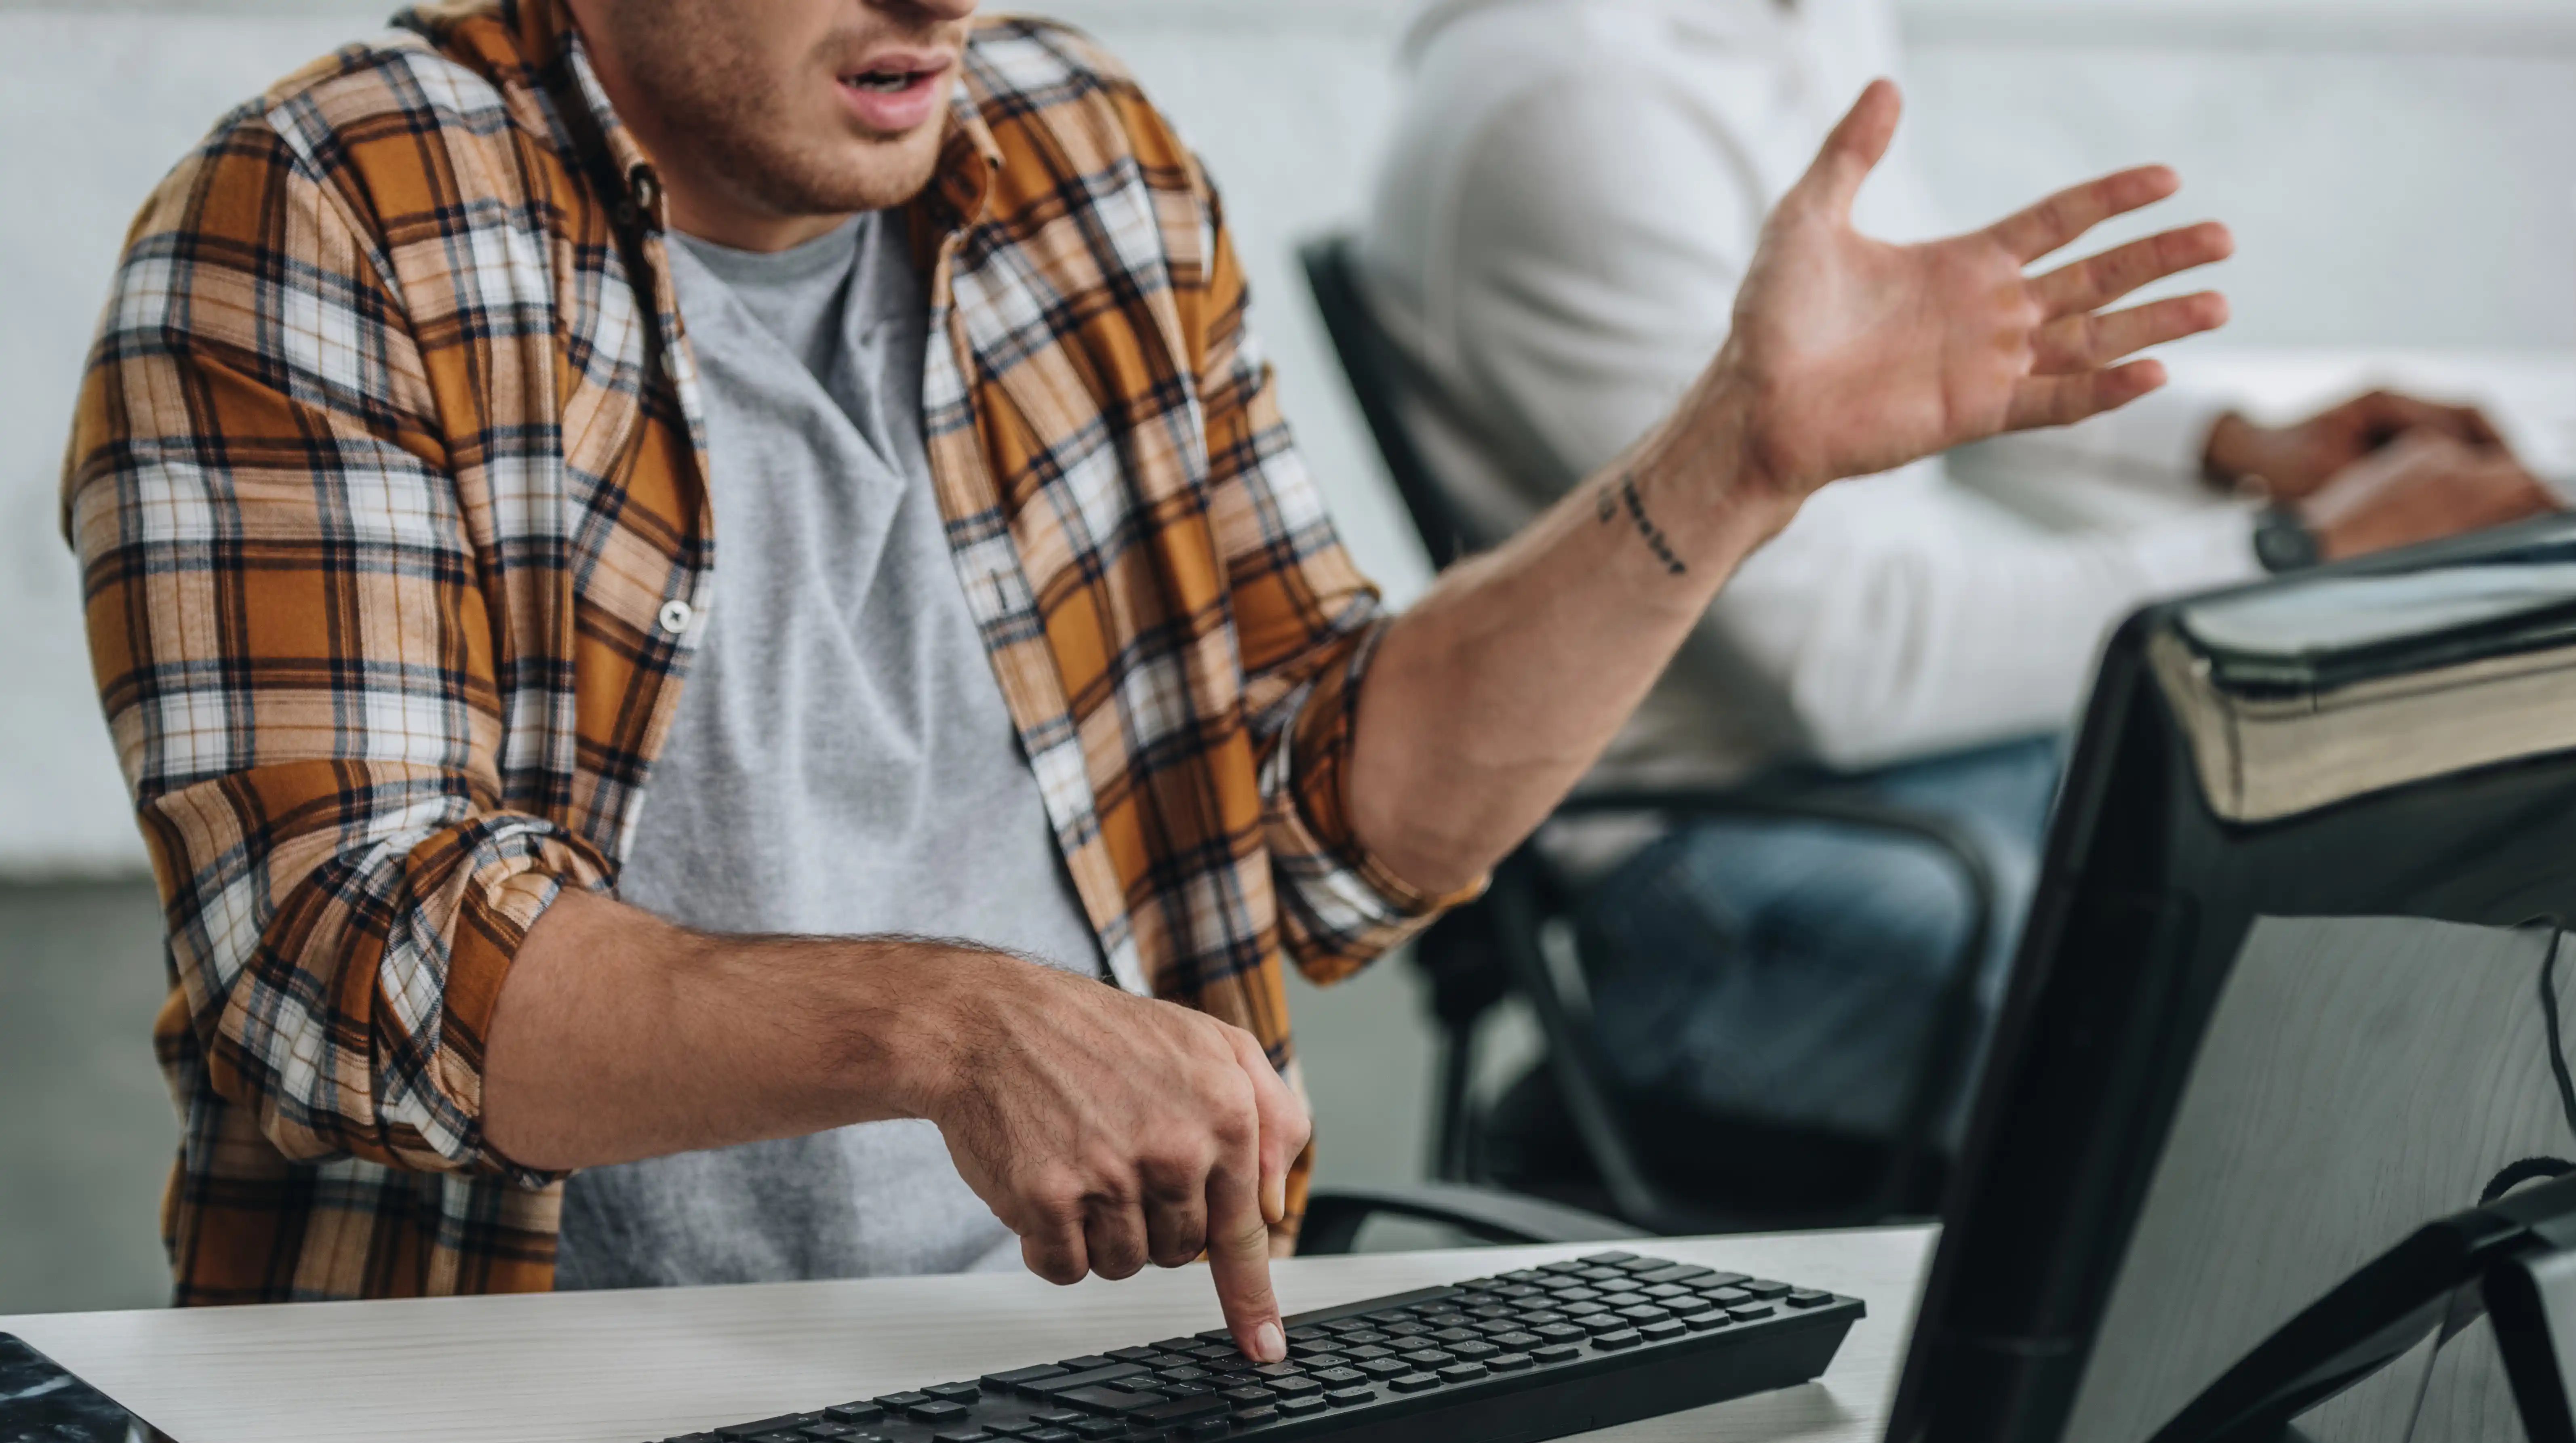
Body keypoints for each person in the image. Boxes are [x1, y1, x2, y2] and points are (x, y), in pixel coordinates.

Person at [63, 0, 2232, 1357]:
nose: (941, 6)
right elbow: (341, 960)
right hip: (514, 1391)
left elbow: (1315, 811)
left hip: (1111, 1372)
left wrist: (1734, 461)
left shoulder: (1075, 162)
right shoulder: (327, 218)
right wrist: (951, 1025)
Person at [1361, 0, 2560, 1153]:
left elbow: (1927, 365)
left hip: (1911, 782)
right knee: (2284, 1053)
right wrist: (2295, 556)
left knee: (2388, 906)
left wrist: (2238, 450)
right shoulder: (1577, 113)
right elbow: (1842, 665)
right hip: (1719, 869)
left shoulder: (1789, 20)